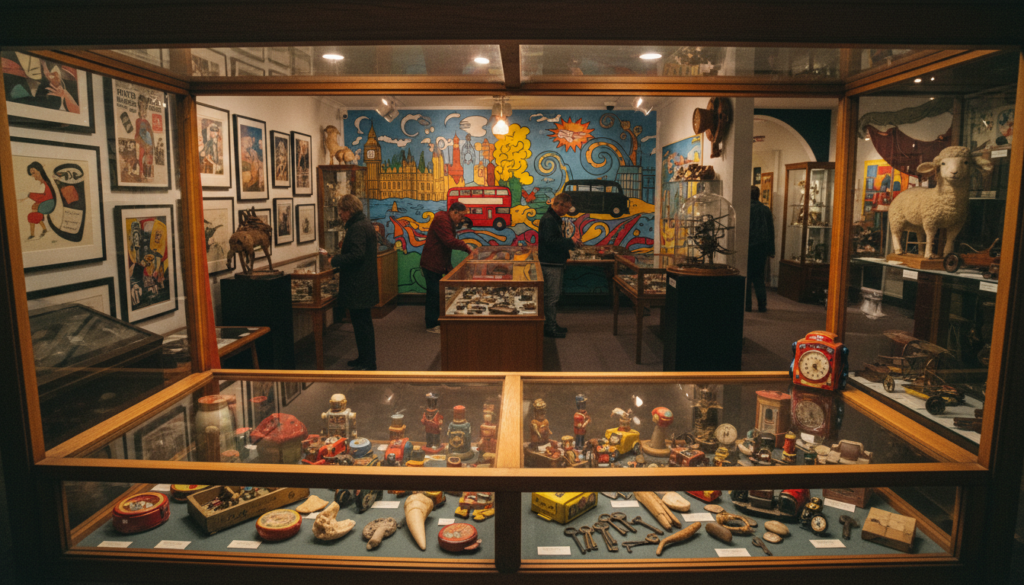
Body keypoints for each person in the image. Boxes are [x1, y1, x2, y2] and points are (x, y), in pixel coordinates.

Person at [326, 194, 379, 370]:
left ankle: (368, 362)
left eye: (342, 211)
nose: (340, 214)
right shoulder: (364, 223)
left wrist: (335, 260)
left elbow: (357, 255)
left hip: (358, 284)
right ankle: (364, 358)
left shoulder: (357, 227)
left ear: (349, 210)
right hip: (364, 282)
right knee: (363, 324)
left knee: (362, 325)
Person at [420, 201, 471, 333]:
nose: (462, 219)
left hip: (437, 262)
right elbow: (449, 241)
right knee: (434, 294)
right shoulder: (442, 220)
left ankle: (438, 320)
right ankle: (431, 324)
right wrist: (466, 247)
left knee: (437, 293)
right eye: (461, 216)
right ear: (454, 212)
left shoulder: (445, 219)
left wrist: (448, 267)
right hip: (432, 264)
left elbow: (445, 245)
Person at [538, 192, 580, 338]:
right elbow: (550, 242)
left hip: (553, 262)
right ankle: (550, 327)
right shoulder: (549, 220)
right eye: (567, 207)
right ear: (559, 205)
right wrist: (570, 241)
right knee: (552, 297)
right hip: (551, 264)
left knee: (552, 296)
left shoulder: (551, 218)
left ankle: (551, 324)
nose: (568, 210)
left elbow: (552, 240)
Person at [746, 185, 775, 312]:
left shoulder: (746, 209)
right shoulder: (765, 210)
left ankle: (747, 305)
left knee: (747, 277)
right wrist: (771, 250)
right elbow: (771, 231)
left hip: (748, 246)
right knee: (759, 277)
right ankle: (762, 304)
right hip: (761, 247)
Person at [23, 161, 56, 240]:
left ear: (39, 171)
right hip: (47, 202)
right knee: (34, 210)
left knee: (34, 210)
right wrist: (30, 195)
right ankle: (41, 230)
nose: (33, 176)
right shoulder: (43, 183)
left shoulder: (46, 183)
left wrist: (30, 195)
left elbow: (47, 196)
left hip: (50, 203)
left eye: (33, 173)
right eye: (32, 174)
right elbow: (42, 196)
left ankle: (36, 233)